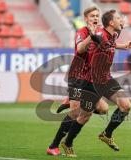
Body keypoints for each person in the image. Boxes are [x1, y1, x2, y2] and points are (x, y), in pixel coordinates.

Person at [60, 9, 131, 157]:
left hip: (106, 78)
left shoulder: (114, 33)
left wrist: (123, 45)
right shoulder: (99, 35)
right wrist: (91, 37)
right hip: (91, 81)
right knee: (84, 117)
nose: (121, 21)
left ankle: (106, 134)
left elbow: (110, 43)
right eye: (118, 19)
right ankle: (67, 143)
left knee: (126, 106)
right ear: (111, 22)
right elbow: (83, 48)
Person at [46, 6, 109, 156]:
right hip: (77, 76)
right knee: (76, 113)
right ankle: (53, 146)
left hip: (89, 77)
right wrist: (91, 35)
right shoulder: (81, 32)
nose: (95, 18)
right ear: (86, 19)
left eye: (97, 16)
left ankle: (72, 100)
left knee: (104, 109)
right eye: (92, 16)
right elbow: (80, 49)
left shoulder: (101, 33)